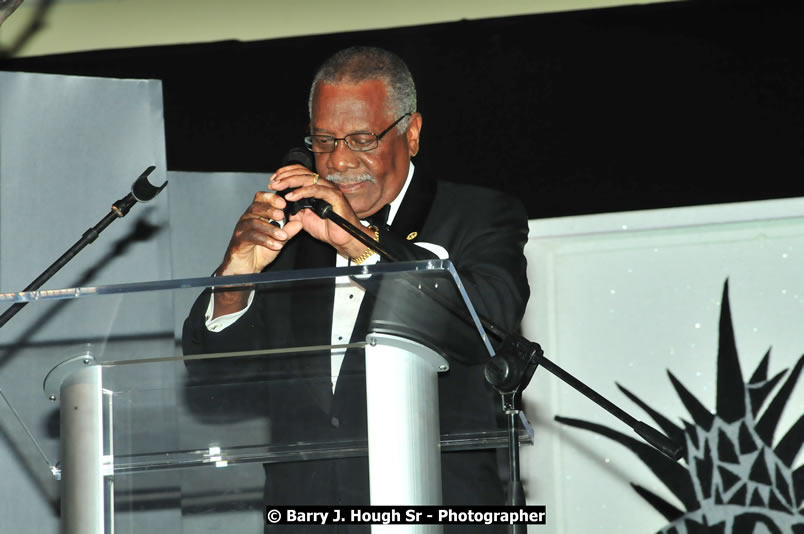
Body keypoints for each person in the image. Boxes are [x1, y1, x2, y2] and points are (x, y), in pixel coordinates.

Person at [183, 46, 530, 532]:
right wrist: (236, 280)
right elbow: (214, 378)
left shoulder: (477, 216)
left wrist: (364, 244)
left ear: (411, 134)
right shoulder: (289, 228)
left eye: (362, 139)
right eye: (324, 141)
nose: (340, 161)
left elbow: (488, 322)